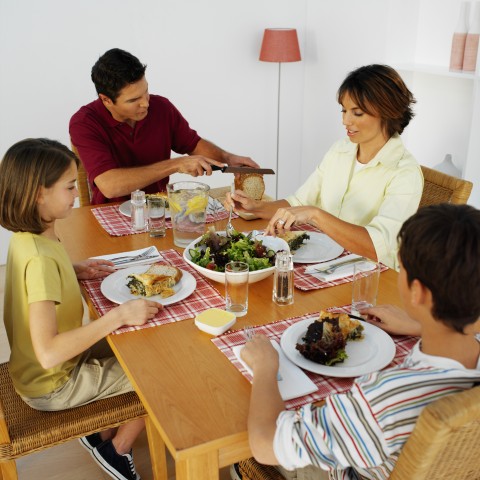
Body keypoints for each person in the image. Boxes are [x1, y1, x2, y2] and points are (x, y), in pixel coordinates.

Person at [237, 203, 480, 480]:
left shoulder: (386, 399)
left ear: (418, 292)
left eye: (400, 267)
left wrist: (266, 367)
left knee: (239, 443)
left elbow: (265, 443)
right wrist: (420, 325)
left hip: (351, 471)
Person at [0, 138, 161, 480]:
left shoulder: (31, 238)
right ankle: (116, 451)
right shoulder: (41, 257)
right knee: (161, 374)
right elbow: (48, 353)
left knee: (150, 341)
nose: (78, 194)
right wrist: (118, 315)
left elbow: (35, 284)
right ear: (38, 193)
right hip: (53, 384)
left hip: (45, 368)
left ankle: (99, 432)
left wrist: (72, 269)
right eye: (71, 187)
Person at [226, 64, 423, 270]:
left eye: (357, 113)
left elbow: (377, 246)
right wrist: (255, 207)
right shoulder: (341, 150)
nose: (345, 121)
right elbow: (299, 202)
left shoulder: (405, 173)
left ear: (387, 112)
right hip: (325, 264)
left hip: (370, 277)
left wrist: (315, 215)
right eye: (344, 110)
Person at [69, 48, 258, 205]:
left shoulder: (162, 108)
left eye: (146, 92)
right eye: (134, 100)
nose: (146, 103)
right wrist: (175, 165)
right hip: (110, 215)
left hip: (160, 209)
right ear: (106, 100)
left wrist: (227, 158)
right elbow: (110, 186)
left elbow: (193, 144)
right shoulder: (85, 123)